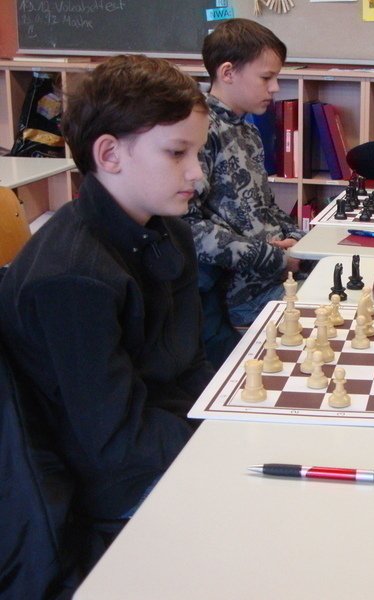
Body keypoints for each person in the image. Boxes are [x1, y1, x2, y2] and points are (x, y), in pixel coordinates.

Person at [0, 55, 214, 530]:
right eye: (177, 153)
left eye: (197, 153)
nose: (197, 173)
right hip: (112, 488)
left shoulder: (169, 230)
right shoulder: (72, 279)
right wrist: (218, 444)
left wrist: (227, 417)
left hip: (168, 440)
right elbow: (115, 444)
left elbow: (189, 364)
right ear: (110, 154)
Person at [184, 19, 307, 362]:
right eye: (266, 78)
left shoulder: (248, 131)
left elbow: (265, 207)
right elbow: (188, 228)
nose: (275, 88)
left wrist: (299, 240)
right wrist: (276, 258)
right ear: (227, 72)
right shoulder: (200, 132)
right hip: (242, 295)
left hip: (275, 275)